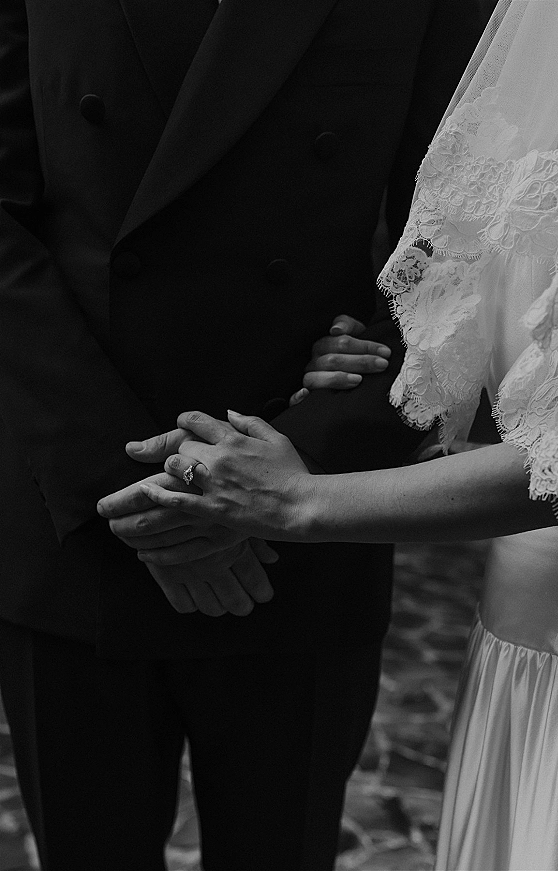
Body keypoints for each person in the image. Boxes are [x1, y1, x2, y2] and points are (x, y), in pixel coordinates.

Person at [0, 1, 486, 869]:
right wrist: (127, 485)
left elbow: (463, 232)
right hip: (71, 497)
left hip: (304, 519)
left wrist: (303, 463)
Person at [100, 2, 558, 868]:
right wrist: (364, 352)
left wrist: (301, 498)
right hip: (521, 628)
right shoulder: (539, 24)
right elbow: (447, 292)